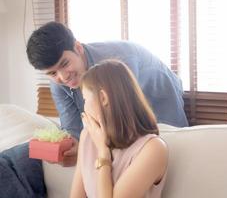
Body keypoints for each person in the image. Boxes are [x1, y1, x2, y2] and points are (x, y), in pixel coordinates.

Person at [26, 21, 188, 166]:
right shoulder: (58, 83)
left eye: (65, 63)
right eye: (53, 73)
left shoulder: (117, 62)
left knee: (173, 148)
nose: (62, 76)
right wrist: (68, 150)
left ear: (78, 48)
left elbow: (123, 120)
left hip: (159, 91)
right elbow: (72, 130)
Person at [70, 59, 168, 198]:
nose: (84, 108)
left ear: (103, 98)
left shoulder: (153, 149)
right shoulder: (88, 136)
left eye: (85, 99)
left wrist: (103, 153)